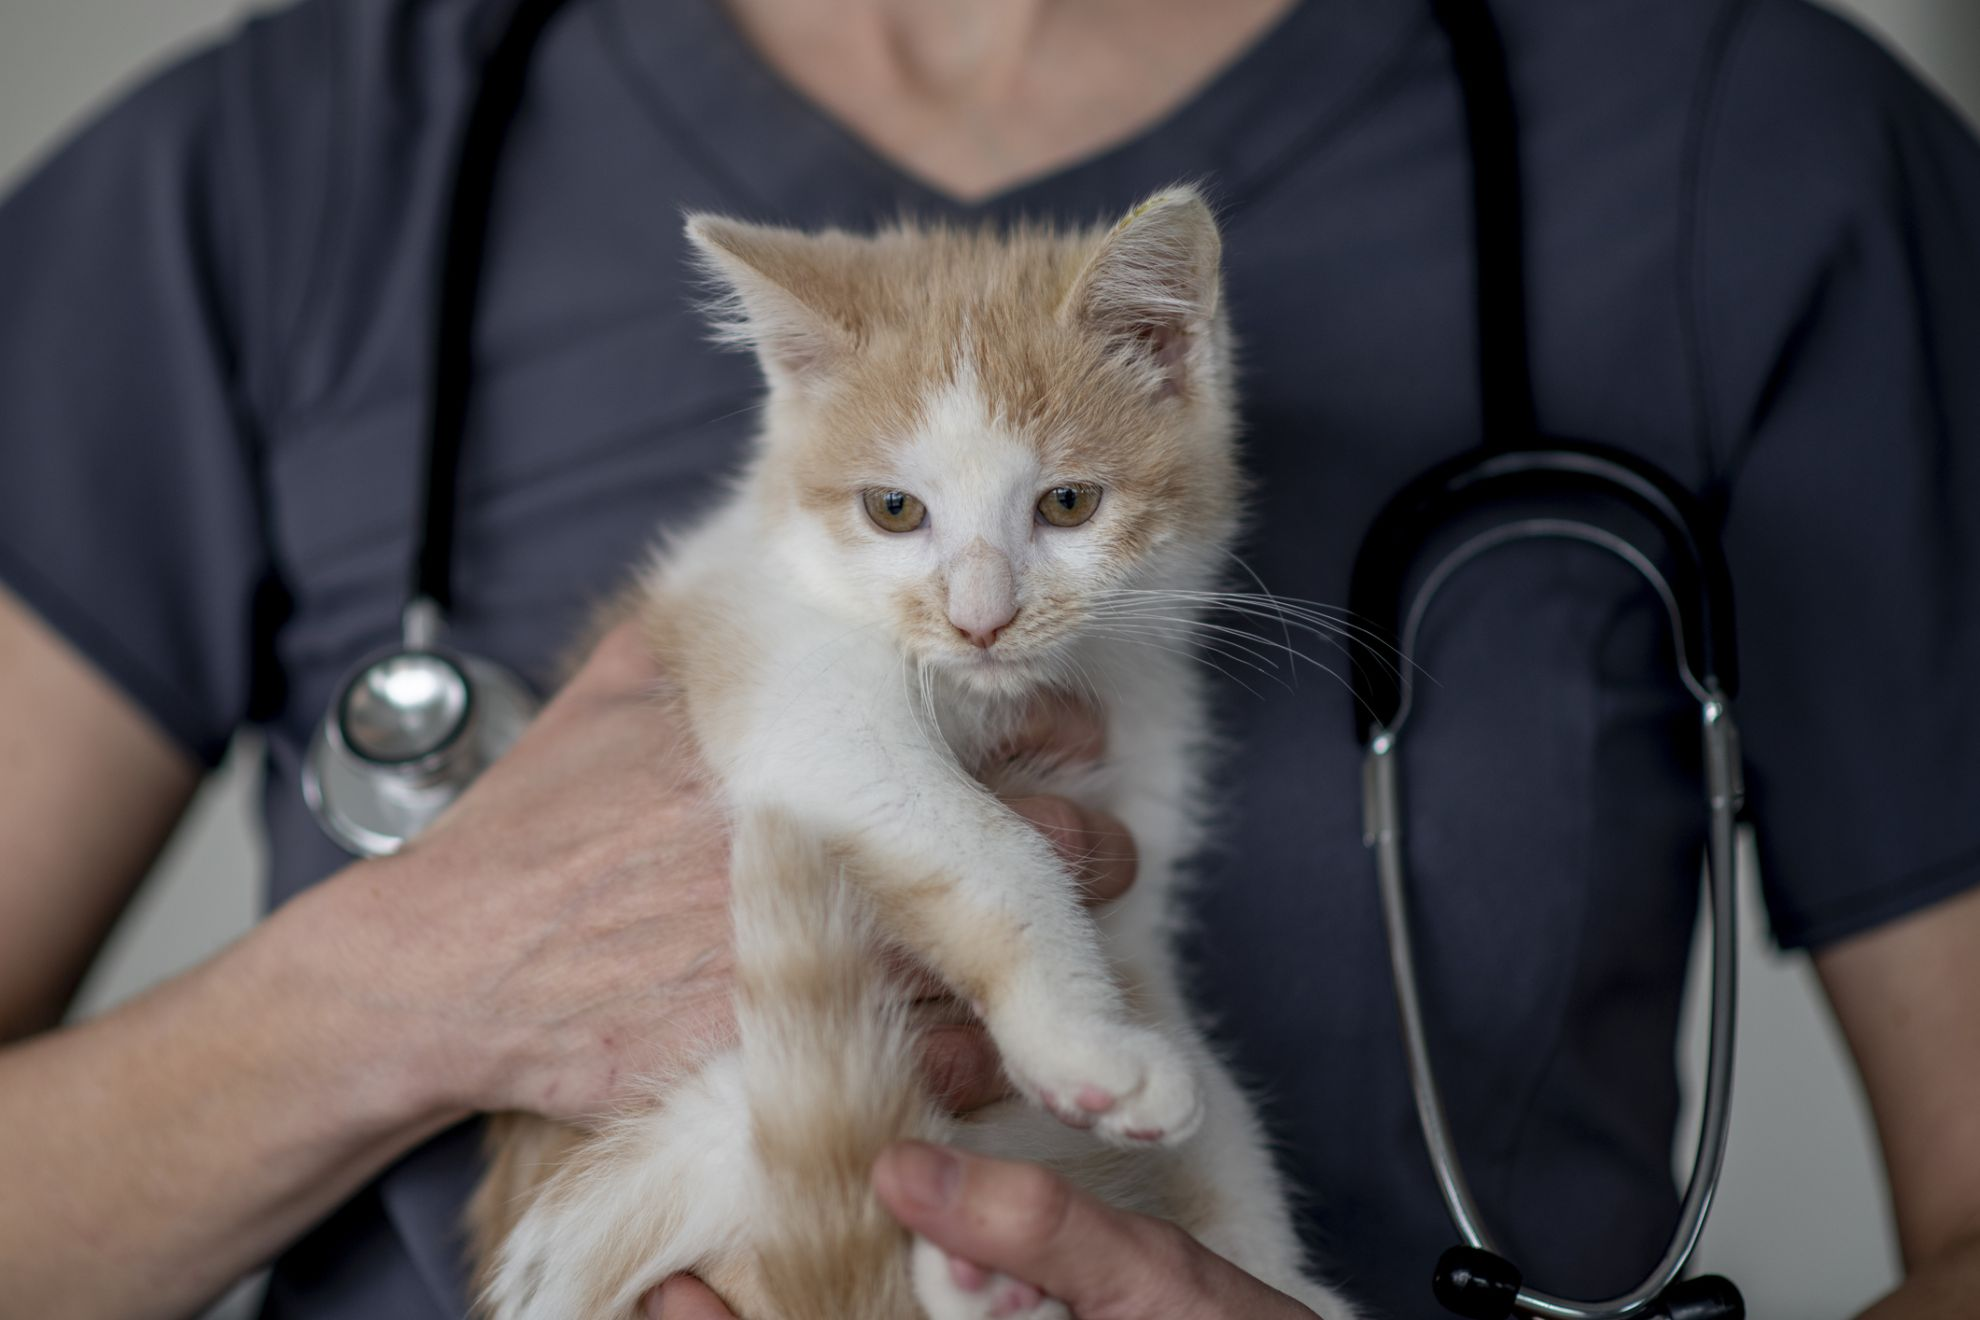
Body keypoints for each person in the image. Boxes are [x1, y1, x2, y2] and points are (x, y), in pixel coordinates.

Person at [1, 1, 1976, 1317]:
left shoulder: (1750, 143)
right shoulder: (274, 175)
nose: (976, 603)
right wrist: (407, 983)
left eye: (1045, 523)